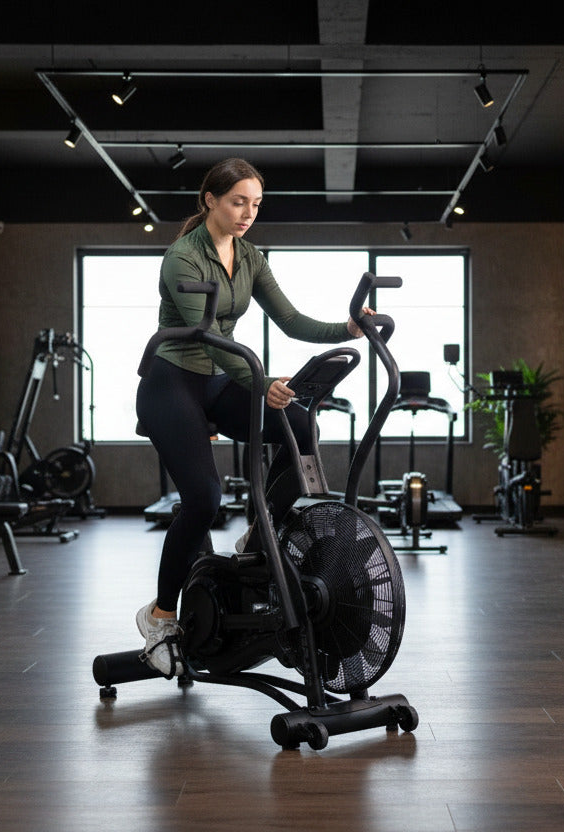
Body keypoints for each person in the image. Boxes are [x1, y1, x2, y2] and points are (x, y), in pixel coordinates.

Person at [133, 158, 373, 676]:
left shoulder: (250, 256)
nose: (248, 213)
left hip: (218, 380)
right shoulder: (182, 259)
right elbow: (208, 340)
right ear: (210, 201)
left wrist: (348, 329)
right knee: (202, 498)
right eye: (239, 201)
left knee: (303, 427)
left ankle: (260, 536)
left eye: (256, 204)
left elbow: (289, 320)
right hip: (171, 383)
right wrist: (260, 385)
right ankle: (159, 615)